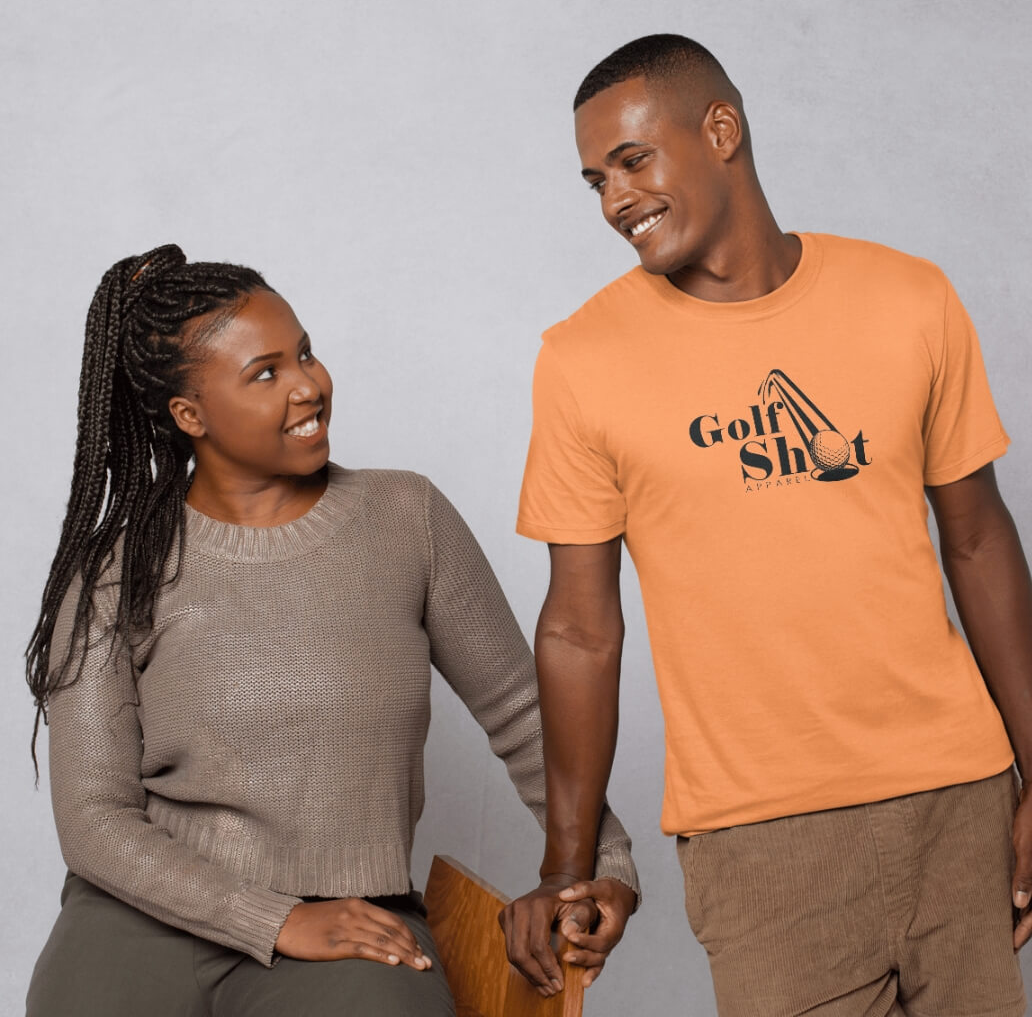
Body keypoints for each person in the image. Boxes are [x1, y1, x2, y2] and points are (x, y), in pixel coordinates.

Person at [511, 34, 1032, 1015]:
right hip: (760, 839)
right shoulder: (583, 359)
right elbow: (579, 628)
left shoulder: (910, 298)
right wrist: (569, 863)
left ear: (720, 129)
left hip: (956, 797)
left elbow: (977, 538)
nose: (615, 201)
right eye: (595, 180)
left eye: (634, 161)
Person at [24, 245, 638, 1016]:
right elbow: (94, 819)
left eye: (305, 354)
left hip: (358, 922)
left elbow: (524, 714)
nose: (309, 386)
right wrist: (276, 919)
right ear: (190, 416)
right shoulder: (119, 569)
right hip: (143, 920)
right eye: (265, 374)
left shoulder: (406, 518)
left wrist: (607, 863)